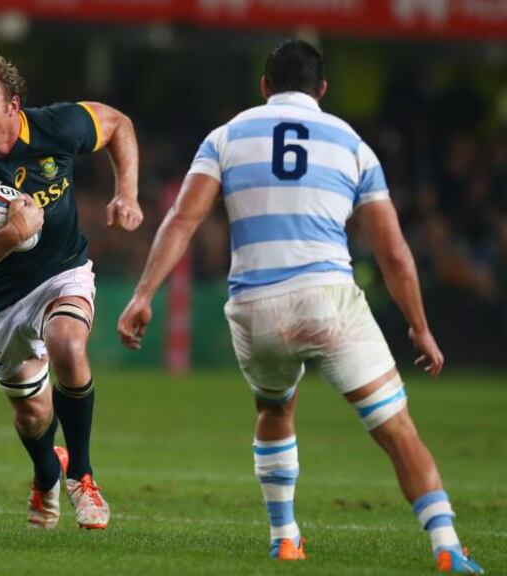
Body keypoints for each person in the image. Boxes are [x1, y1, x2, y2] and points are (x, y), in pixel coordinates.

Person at [116, 40, 483, 573]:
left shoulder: (226, 136)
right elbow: (394, 251)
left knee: (273, 407)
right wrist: (420, 328)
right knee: (397, 430)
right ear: (323, 89)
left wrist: (143, 294)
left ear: (264, 85)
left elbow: (183, 220)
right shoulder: (352, 144)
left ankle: (285, 536)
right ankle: (446, 545)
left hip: (255, 305)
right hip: (328, 300)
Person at [0, 54, 142, 530]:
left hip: (62, 272)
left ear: (13, 105)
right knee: (32, 416)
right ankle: (48, 471)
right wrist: (10, 235)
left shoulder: (56, 126)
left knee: (67, 343)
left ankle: (84, 477)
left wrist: (126, 192)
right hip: (0, 299)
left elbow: (119, 124)